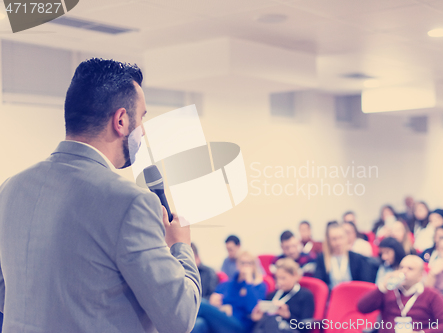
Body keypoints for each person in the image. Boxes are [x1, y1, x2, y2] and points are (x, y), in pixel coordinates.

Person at [0, 59, 201, 332]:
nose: (142, 130)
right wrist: (181, 247)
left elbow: (7, 293)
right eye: (141, 118)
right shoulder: (131, 202)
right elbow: (180, 317)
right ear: (120, 120)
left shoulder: (10, 188)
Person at [358, 255, 443, 333]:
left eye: (410, 269)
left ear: (420, 276)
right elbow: (362, 307)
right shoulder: (388, 291)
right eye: (401, 267)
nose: (404, 271)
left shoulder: (431, 295)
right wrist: (382, 287)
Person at [192, 251, 267, 333]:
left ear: (254, 266)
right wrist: (220, 307)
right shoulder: (226, 284)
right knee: (199, 323)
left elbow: (253, 310)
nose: (245, 266)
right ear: (237, 264)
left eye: (249, 263)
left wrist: (249, 282)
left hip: (241, 325)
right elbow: (214, 302)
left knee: (201, 303)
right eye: (242, 263)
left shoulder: (259, 286)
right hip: (223, 320)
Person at [251, 258, 314, 333]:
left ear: (295, 275)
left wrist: (288, 317)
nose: (279, 282)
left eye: (283, 278)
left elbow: (305, 328)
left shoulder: (305, 295)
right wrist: (257, 318)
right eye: (277, 278)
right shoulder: (272, 295)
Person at [315, 222, 375, 289]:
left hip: (353, 294)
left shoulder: (356, 258)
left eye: (341, 238)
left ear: (346, 238)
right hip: (332, 296)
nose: (338, 242)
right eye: (334, 239)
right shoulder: (322, 259)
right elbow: (320, 284)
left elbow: (364, 283)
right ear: (328, 240)